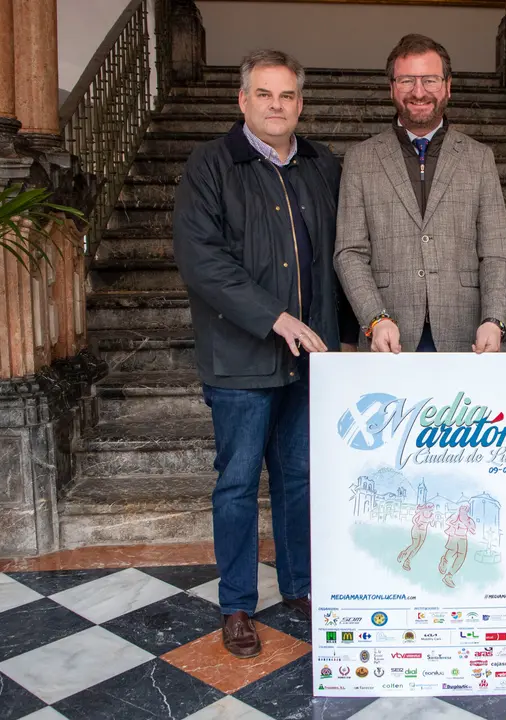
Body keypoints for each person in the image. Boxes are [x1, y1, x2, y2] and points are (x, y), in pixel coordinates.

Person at [172, 49, 358, 659]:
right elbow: (203, 261)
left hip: (312, 361)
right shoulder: (212, 165)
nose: (276, 106)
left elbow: (341, 258)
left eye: (287, 96)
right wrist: (274, 318)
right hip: (240, 360)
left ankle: (301, 587)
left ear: (299, 104)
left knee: (301, 477)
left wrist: (348, 331)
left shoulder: (323, 165)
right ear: (242, 101)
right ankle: (237, 606)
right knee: (237, 484)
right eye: (264, 94)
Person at [334, 33, 506, 353]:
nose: (419, 92)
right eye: (406, 80)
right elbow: (349, 254)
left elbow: (497, 253)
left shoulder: (479, 158)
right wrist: (375, 318)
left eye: (430, 80)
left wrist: (495, 319)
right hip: (387, 338)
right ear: (392, 87)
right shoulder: (360, 160)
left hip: (466, 337)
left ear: (448, 85)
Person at [439, 503, 477, 587]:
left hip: (463, 538)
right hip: (454, 537)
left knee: (461, 557)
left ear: (467, 509)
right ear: (459, 508)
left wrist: (467, 525)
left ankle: (449, 576)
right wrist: (455, 524)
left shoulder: (469, 520)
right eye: (462, 507)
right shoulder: (455, 516)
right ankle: (444, 561)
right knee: (451, 551)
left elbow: (473, 530)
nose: (463, 509)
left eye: (465, 508)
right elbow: (448, 521)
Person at [398, 502, 435, 570]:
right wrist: (418, 524)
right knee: (415, 545)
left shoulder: (432, 515)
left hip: (423, 532)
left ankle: (407, 561)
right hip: (416, 529)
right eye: (429, 507)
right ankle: (404, 553)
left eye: (431, 507)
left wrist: (432, 521)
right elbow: (414, 519)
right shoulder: (421, 512)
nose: (430, 509)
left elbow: (432, 524)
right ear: (426, 507)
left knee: (418, 547)